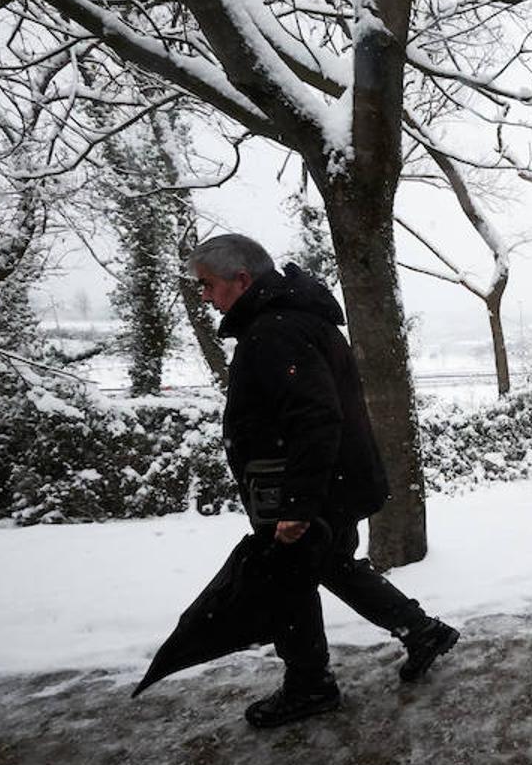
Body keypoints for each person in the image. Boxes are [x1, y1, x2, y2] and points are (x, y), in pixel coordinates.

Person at [191, 234, 458, 728]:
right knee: (335, 566)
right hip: (332, 482)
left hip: (309, 490)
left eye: (207, 285)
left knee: (288, 586)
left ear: (241, 279)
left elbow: (315, 417)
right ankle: (421, 631)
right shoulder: (296, 319)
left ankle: (309, 686)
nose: (205, 296)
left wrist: (297, 505)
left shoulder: (275, 331)